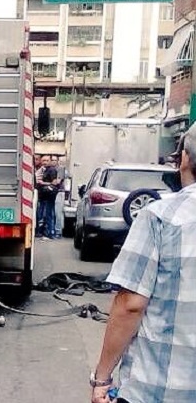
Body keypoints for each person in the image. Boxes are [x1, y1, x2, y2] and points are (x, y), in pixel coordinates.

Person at [91, 127, 196, 403]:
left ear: (184, 158)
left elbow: (130, 305)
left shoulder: (160, 216)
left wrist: (102, 379)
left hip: (159, 390)